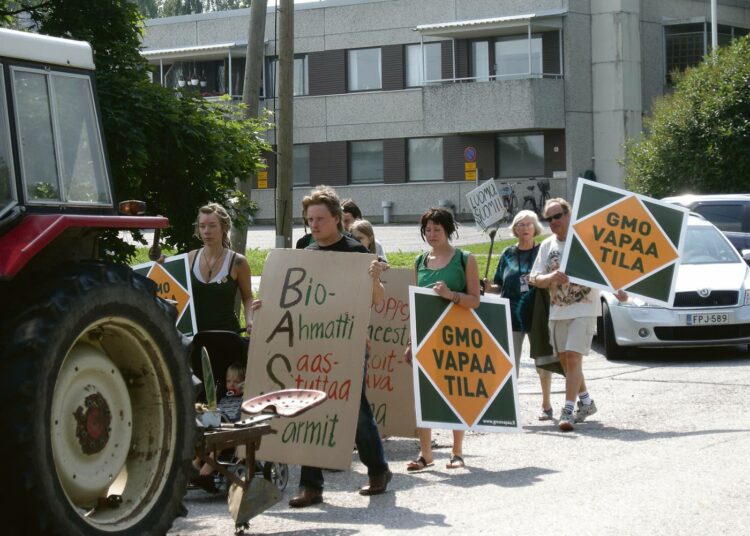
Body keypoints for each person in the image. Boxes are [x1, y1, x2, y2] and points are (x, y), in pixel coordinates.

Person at [263, 186, 391, 507]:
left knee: (355, 409)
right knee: (310, 408)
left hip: (346, 342)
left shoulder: (356, 253)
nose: (314, 225)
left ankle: (378, 469)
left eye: (320, 219)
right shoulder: (303, 249)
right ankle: (311, 485)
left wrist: (375, 278)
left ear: (337, 219)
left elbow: (377, 300)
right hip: (309, 342)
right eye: (309, 220)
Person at [529, 198, 627, 431]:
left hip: (584, 308)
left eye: (558, 216)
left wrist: (619, 290)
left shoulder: (586, 242)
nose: (554, 222)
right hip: (558, 310)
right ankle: (586, 402)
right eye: (549, 218)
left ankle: (568, 411)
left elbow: (606, 270)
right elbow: (535, 278)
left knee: (573, 357)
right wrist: (550, 278)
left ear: (568, 214)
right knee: (565, 361)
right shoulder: (547, 245)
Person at [404, 207, 481, 471]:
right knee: (423, 394)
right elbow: (414, 305)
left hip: (458, 337)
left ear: (448, 230)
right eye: (427, 229)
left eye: (437, 229)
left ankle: (457, 452)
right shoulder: (418, 261)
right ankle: (425, 454)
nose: (432, 234)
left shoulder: (465, 259)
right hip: (426, 336)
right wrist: (411, 340)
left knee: (456, 392)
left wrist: (451, 296)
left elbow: (475, 300)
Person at [484, 210, 553, 421]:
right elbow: (499, 285)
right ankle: (510, 407)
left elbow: (550, 281)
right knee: (509, 363)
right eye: (520, 225)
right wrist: (488, 287)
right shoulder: (507, 253)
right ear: (514, 229)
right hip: (511, 315)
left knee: (543, 361)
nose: (524, 228)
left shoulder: (542, 251)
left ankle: (547, 405)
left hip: (537, 314)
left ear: (535, 228)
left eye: (528, 224)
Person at [189, 203, 255, 334]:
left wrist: (250, 320)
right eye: (202, 226)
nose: (207, 231)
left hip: (226, 336)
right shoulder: (190, 258)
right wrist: (161, 262)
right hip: (194, 337)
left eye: (212, 225)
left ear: (223, 227)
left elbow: (247, 297)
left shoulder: (238, 261)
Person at [193, 362, 246, 478]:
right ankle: (197, 461)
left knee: (221, 435)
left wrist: (244, 387)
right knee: (204, 431)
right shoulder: (223, 398)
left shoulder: (244, 398)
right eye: (228, 381)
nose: (231, 385)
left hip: (232, 429)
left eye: (236, 382)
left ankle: (211, 463)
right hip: (218, 426)